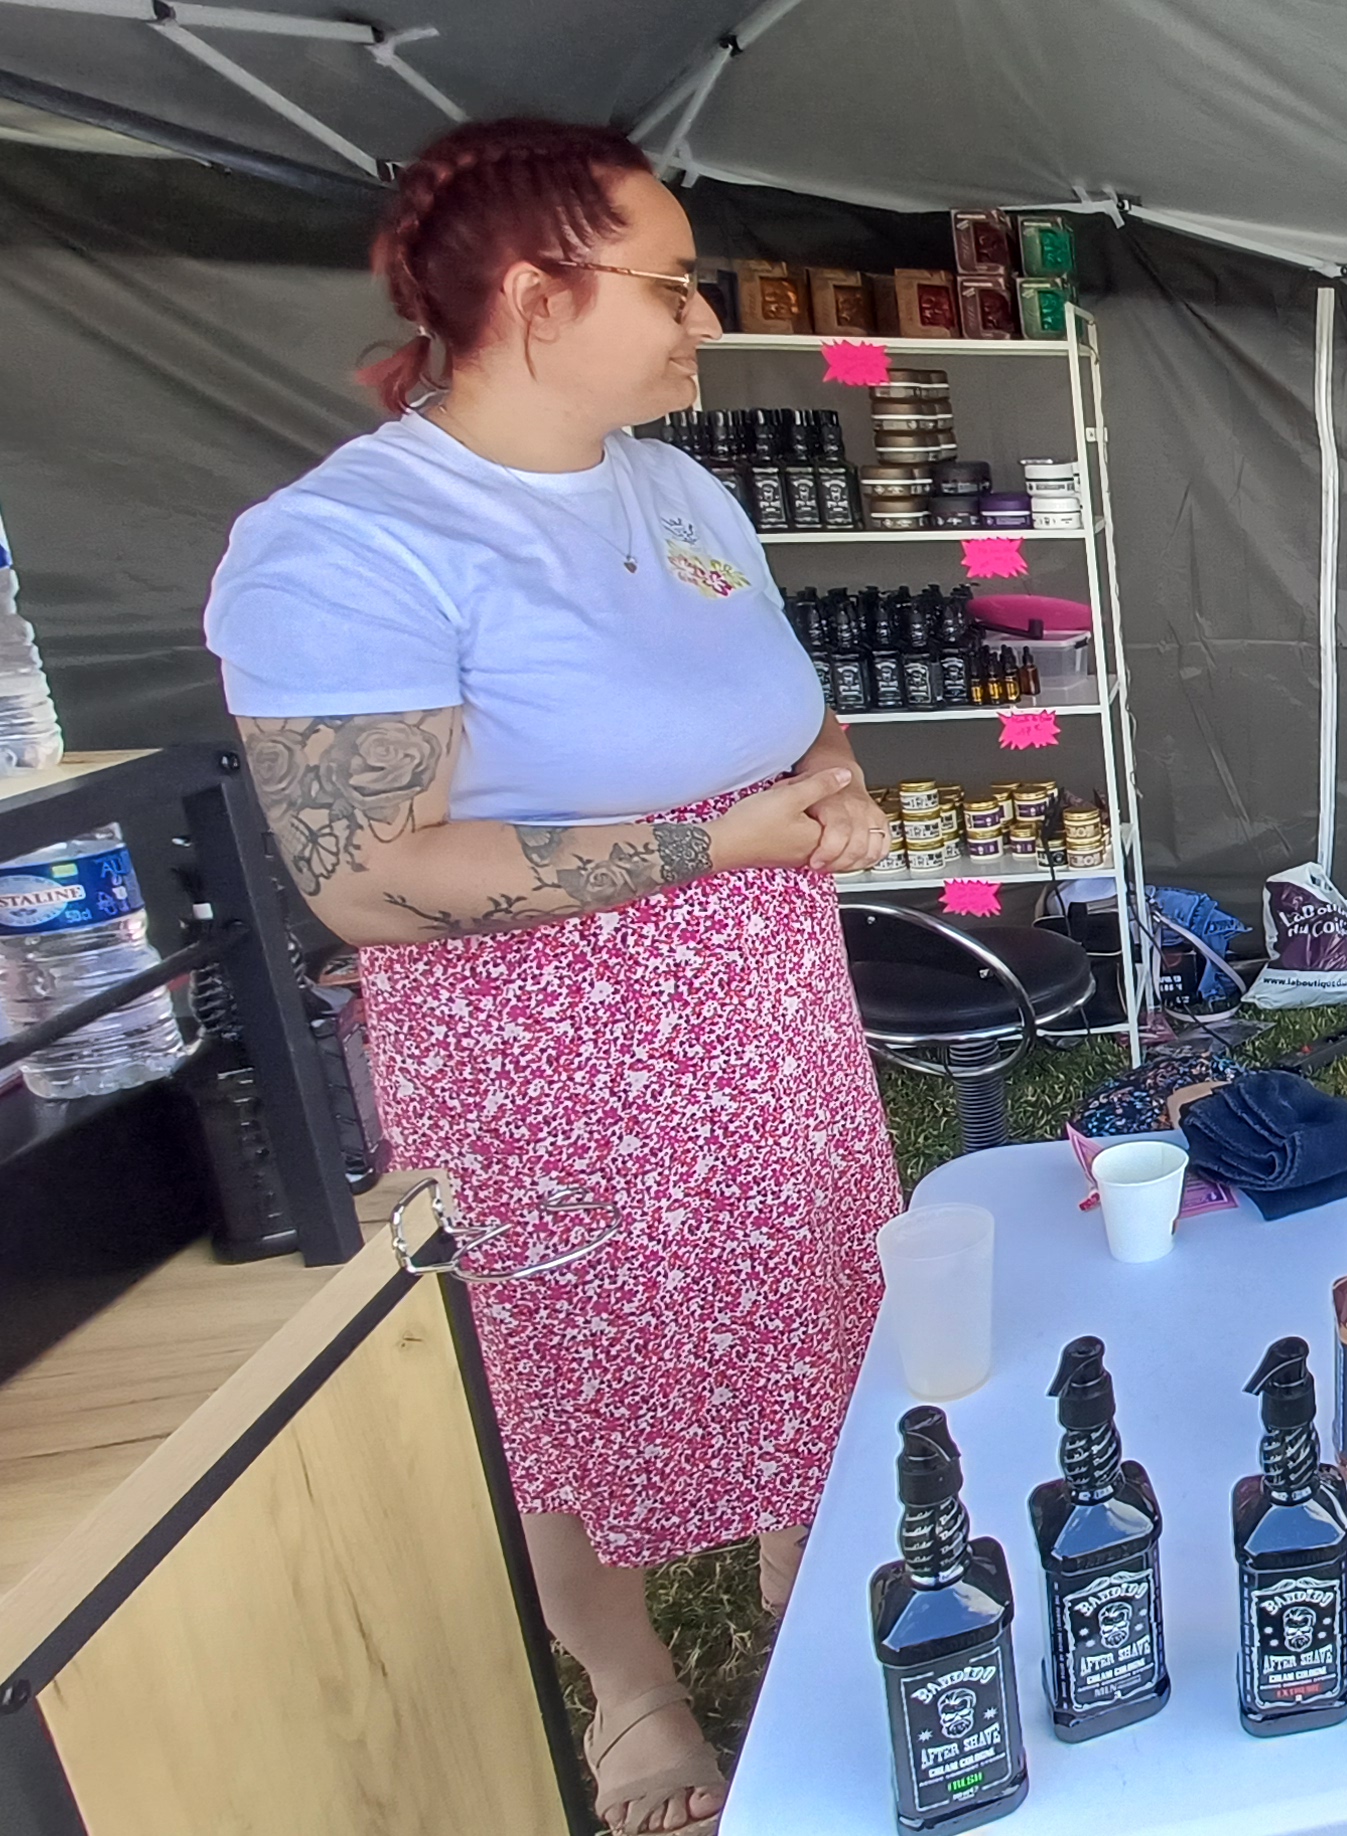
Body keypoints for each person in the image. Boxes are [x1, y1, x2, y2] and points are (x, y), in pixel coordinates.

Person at [201, 119, 894, 1836]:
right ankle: (631, 1688)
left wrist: (835, 779)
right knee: (564, 1363)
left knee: (810, 1296)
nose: (703, 319)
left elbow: (785, 699)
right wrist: (709, 848)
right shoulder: (349, 543)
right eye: (670, 285)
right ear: (534, 296)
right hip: (542, 1043)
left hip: (761, 1003)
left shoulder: (679, 487)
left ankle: (806, 1607)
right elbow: (369, 876)